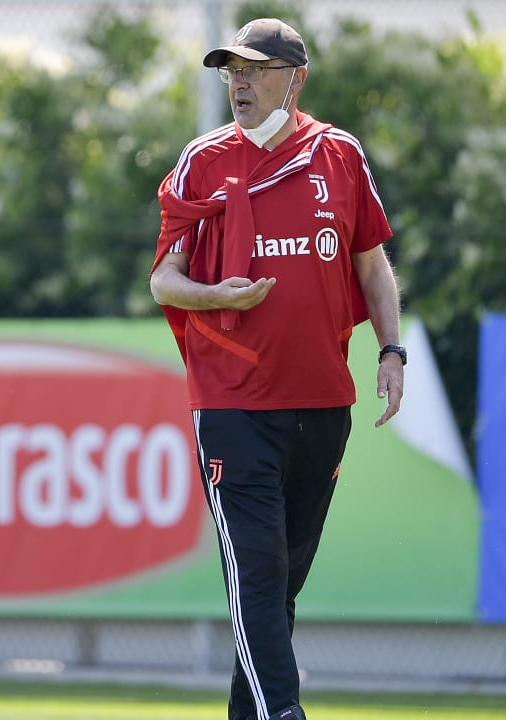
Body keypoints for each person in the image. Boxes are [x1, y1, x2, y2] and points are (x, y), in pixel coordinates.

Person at [148, 18, 405, 720]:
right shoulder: (202, 160)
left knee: (277, 584)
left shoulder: (338, 156)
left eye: (256, 69)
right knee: (256, 577)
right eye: (231, 69)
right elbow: (163, 282)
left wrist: (390, 349)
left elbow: (373, 266)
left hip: (323, 405)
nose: (239, 81)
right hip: (232, 403)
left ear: (296, 78)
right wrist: (214, 296)